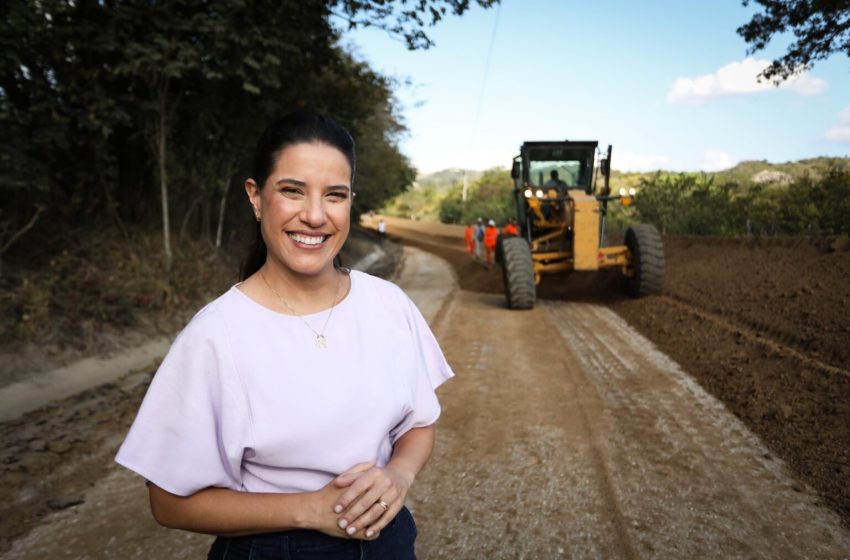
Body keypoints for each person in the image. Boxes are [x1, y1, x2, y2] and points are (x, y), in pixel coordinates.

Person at [115, 111, 453, 559]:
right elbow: (168, 502)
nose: (314, 216)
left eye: (335, 195)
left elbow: (419, 424)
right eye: (292, 191)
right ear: (256, 198)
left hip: (388, 542)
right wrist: (308, 511)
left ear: (351, 202)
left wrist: (400, 475)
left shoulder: (388, 304)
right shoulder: (216, 335)